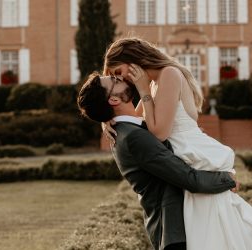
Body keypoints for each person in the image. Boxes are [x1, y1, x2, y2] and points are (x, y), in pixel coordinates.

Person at [102, 37, 252, 250]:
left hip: (193, 158)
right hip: (185, 157)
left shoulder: (167, 75)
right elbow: (137, 123)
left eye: (119, 72)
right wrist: (107, 119)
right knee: (215, 230)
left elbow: (159, 133)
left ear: (133, 58)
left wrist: (142, 90)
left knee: (218, 230)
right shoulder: (153, 86)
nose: (122, 79)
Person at [77, 72, 237, 250]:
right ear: (114, 100)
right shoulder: (133, 136)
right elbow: (188, 178)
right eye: (114, 80)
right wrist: (228, 180)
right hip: (175, 233)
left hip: (181, 227)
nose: (120, 78)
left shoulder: (128, 129)